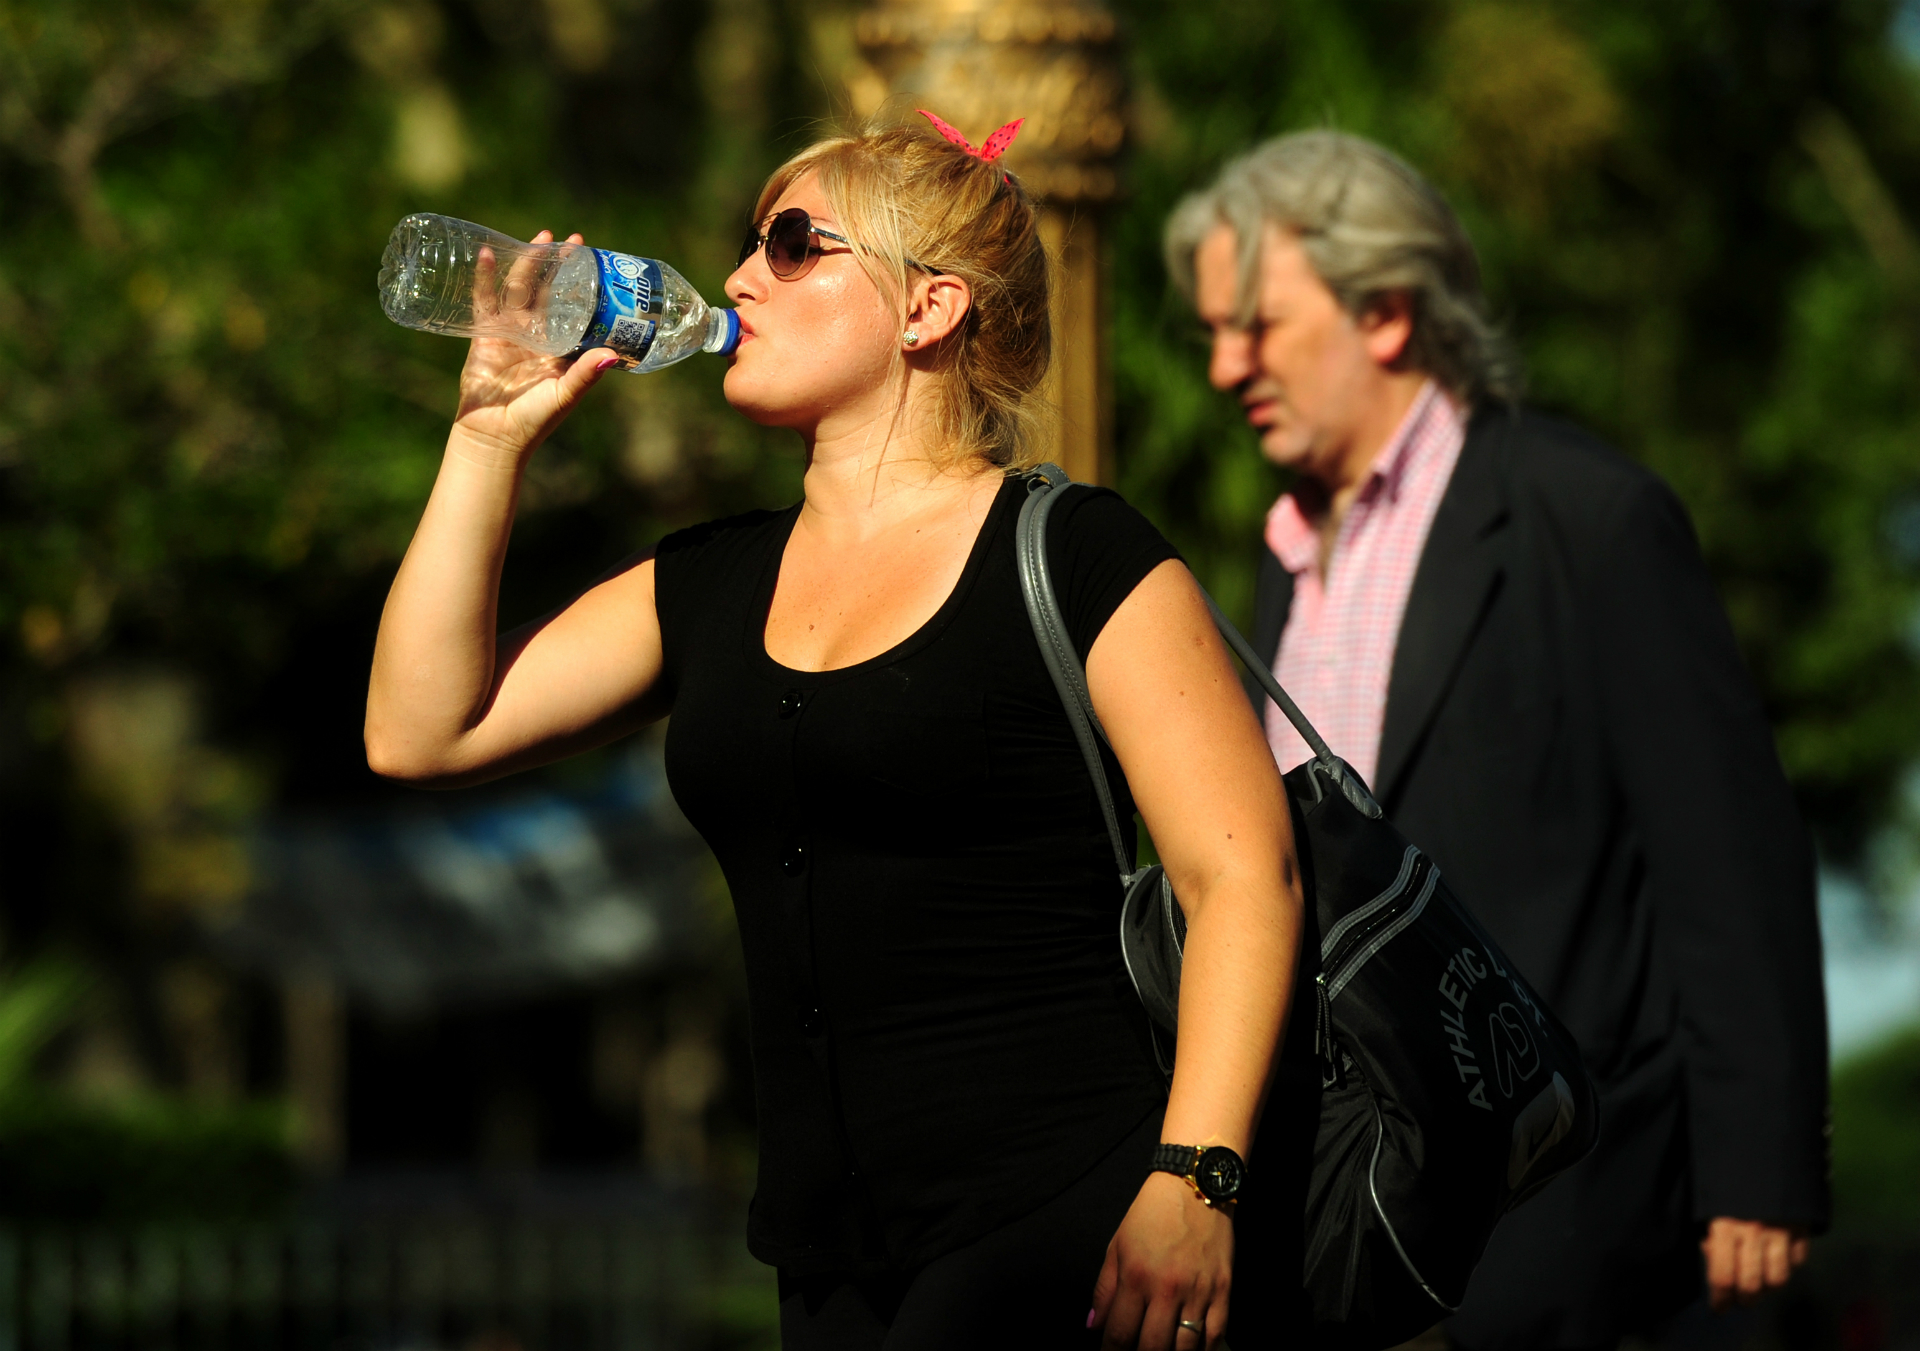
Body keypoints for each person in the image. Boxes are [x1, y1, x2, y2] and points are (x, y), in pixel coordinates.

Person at [364, 115, 1308, 1351]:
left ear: (929, 308)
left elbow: (1243, 875)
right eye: (751, 244)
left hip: (1064, 1223)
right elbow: (421, 730)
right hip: (824, 1257)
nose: (740, 279)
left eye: (794, 244)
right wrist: (487, 440)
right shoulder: (708, 581)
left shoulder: (1075, 555)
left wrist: (1196, 1179)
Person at [1163, 130, 1830, 1350]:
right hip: (1355, 1234)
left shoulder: (1592, 517)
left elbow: (1728, 863)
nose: (1223, 366)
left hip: (1581, 1229)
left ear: (1386, 312)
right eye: (1213, 331)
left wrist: (1761, 1166)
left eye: (1254, 325)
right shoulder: (1278, 557)